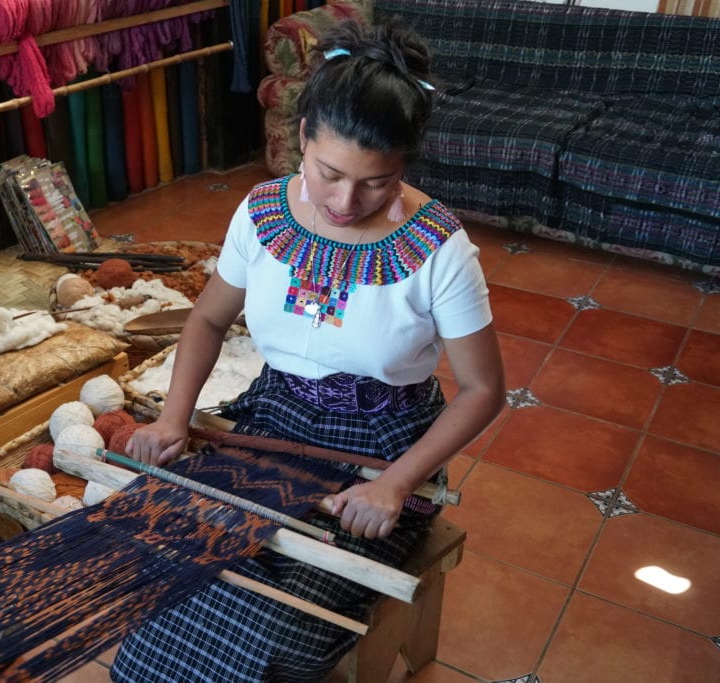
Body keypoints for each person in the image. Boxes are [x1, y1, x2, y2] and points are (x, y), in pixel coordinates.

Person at [110, 18, 505, 683]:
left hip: (381, 443)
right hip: (273, 422)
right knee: (172, 572)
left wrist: (395, 483)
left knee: (280, 622)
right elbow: (207, 319)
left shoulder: (439, 248)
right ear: (302, 137)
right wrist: (174, 416)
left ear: (402, 165)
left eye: (376, 182)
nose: (347, 200)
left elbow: (483, 388)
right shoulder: (263, 212)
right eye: (329, 173)